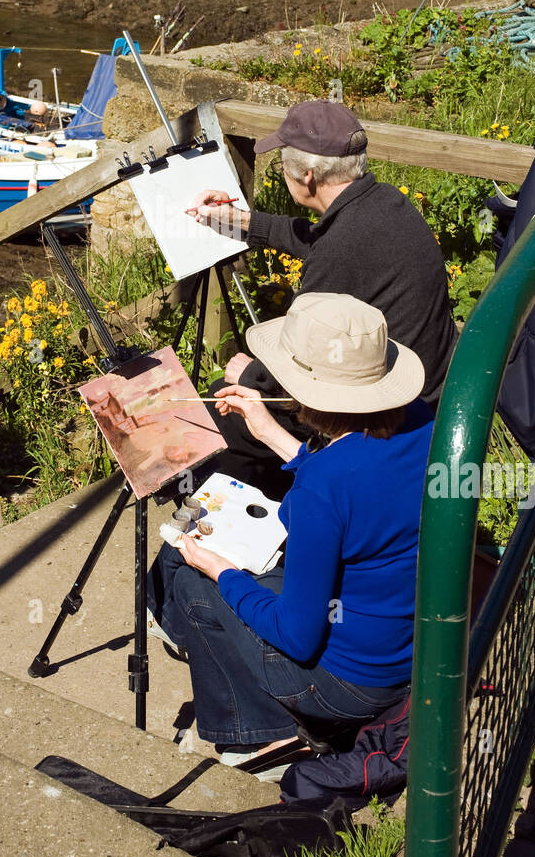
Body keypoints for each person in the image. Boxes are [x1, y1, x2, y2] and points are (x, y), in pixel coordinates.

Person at [147, 292, 433, 775]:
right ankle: (206, 653)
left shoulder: (325, 485)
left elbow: (298, 638)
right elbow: (357, 489)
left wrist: (222, 571)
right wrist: (271, 434)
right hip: (411, 649)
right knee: (207, 572)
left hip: (350, 686)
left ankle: (258, 738)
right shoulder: (421, 421)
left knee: (192, 582)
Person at [184, 99, 457, 496]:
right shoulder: (384, 205)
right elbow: (318, 238)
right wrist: (242, 222)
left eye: (281, 167)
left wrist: (249, 377)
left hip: (382, 418)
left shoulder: (340, 249)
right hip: (420, 393)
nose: (282, 175)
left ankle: (273, 525)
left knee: (219, 413)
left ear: (308, 177)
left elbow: (299, 371)